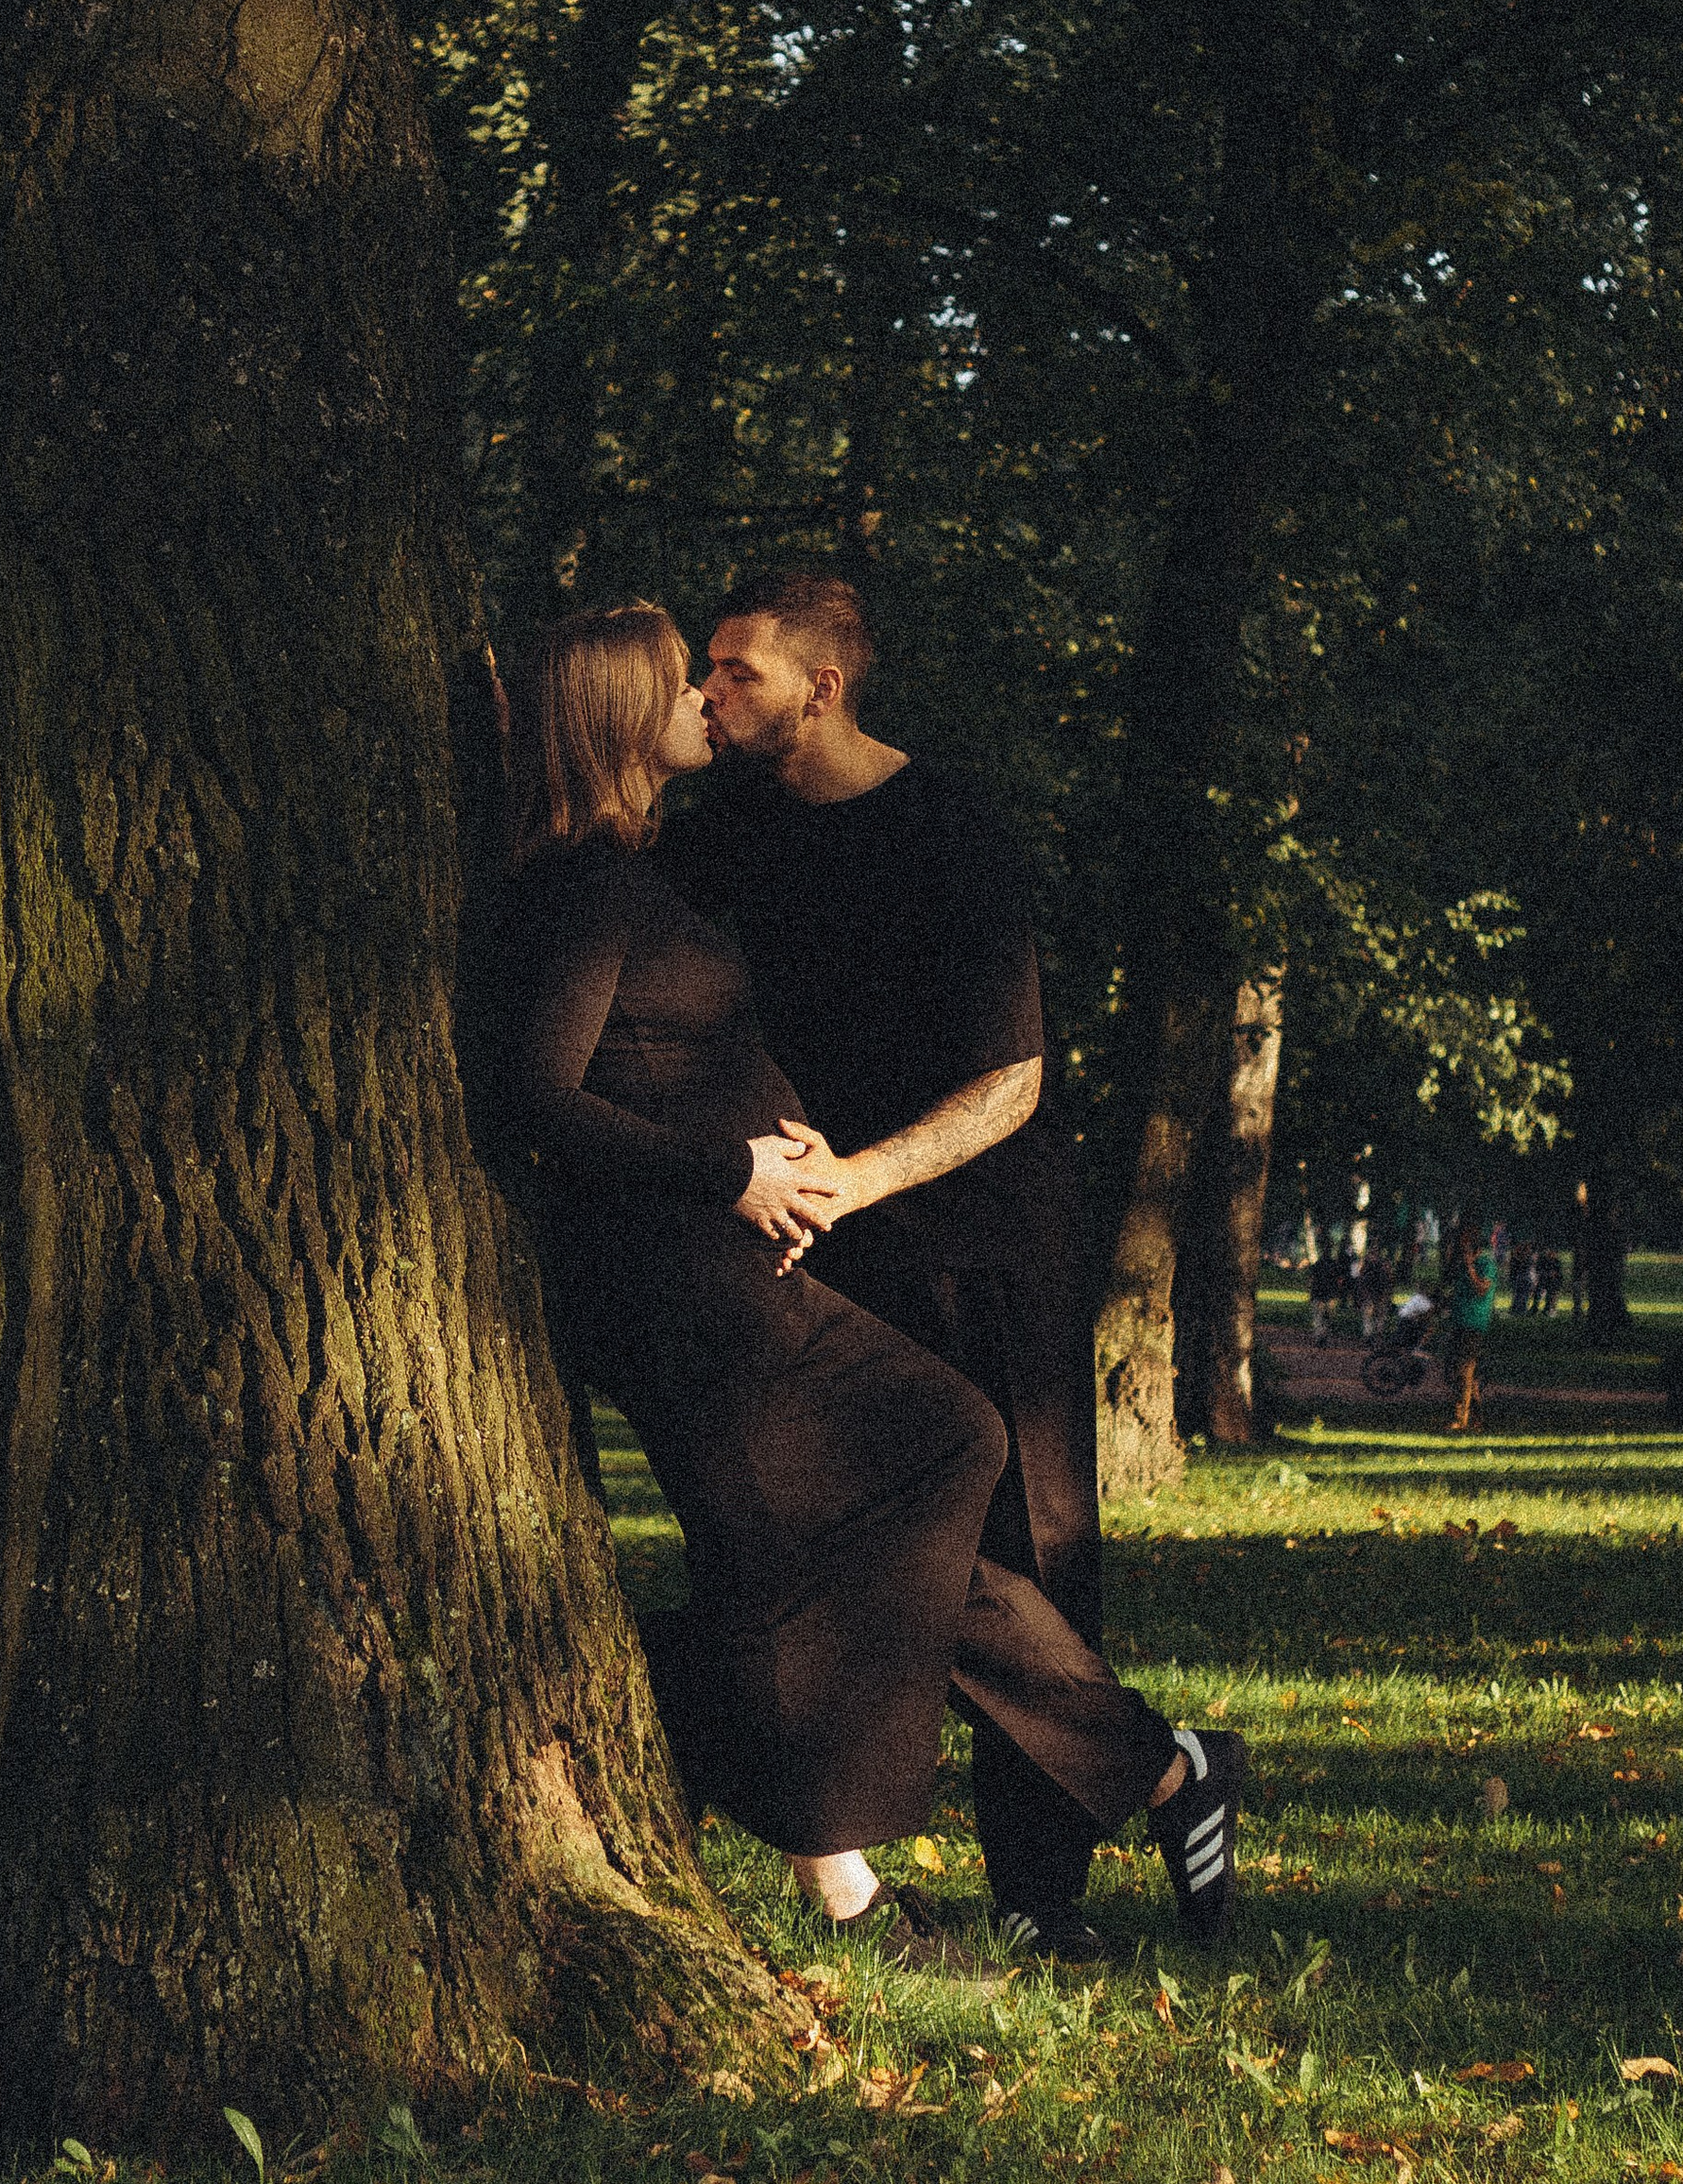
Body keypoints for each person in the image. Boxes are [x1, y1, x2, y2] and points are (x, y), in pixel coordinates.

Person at [490, 601, 1244, 1961]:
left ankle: (1038, 1887)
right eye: (690, 676)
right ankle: (1109, 1784)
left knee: (998, 1529)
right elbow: (566, 1058)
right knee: (832, 1532)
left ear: (820, 688)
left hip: (964, 1233)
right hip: (765, 1246)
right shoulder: (685, 847)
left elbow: (1013, 1080)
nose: (711, 697)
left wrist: (841, 1178)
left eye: (736, 673)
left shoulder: (949, 833)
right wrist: (750, 1174)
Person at [1441, 1213, 1496, 1431]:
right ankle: (1476, 1418)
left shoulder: (1485, 1264)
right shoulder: (1463, 1264)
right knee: (1456, 1372)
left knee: (1465, 1372)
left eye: (1464, 1241)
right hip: (1458, 1322)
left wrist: (1471, 1267)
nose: (1460, 1245)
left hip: (1474, 1324)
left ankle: (1461, 1419)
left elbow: (1482, 1289)